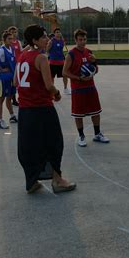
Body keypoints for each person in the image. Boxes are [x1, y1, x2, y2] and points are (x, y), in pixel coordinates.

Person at [16, 24, 76, 193]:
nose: (47, 39)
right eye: (43, 37)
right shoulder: (41, 58)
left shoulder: (21, 57)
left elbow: (15, 82)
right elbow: (49, 86)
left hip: (25, 110)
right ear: (34, 40)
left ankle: (31, 181)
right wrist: (56, 94)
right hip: (42, 108)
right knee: (54, 142)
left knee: (29, 146)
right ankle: (57, 180)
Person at [62, 29, 110, 147]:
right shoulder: (71, 54)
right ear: (75, 40)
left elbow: (96, 70)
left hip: (90, 86)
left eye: (84, 39)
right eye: (80, 40)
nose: (83, 42)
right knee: (78, 114)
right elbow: (64, 72)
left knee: (96, 111)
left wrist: (94, 62)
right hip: (78, 88)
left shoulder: (89, 52)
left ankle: (97, 134)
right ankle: (81, 135)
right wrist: (79, 78)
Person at [0, 31, 18, 129]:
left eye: (12, 38)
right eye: (9, 39)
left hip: (11, 76)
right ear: (4, 40)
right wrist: (1, 69)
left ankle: (12, 116)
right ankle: (0, 120)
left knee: (9, 97)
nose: (11, 40)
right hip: (4, 78)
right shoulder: (2, 50)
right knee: (1, 98)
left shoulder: (12, 48)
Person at [47, 27, 70, 95]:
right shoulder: (51, 41)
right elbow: (47, 50)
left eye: (59, 32)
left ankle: (65, 89)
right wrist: (50, 56)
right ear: (54, 34)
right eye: (56, 32)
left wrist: (64, 56)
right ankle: (52, 91)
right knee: (51, 77)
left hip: (61, 62)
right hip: (53, 62)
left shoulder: (62, 41)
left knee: (65, 75)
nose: (58, 33)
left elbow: (61, 50)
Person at [8, 26, 23, 106]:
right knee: (11, 82)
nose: (13, 34)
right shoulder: (8, 43)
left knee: (17, 82)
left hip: (17, 64)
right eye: (12, 32)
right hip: (11, 65)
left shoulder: (18, 42)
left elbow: (21, 51)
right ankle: (12, 99)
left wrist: (28, 47)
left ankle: (16, 99)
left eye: (15, 32)